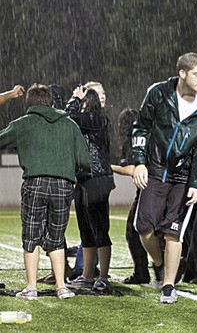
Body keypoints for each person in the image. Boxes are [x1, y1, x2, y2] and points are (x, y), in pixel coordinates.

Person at [131, 53, 197, 304]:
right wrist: (139, 162)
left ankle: (169, 285)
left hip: (184, 175)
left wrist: (196, 184)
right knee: (144, 226)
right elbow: (141, 127)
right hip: (156, 169)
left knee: (174, 231)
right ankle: (159, 262)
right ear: (182, 73)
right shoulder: (158, 93)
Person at [0, 84, 91, 300]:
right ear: (51, 102)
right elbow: (85, 161)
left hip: (35, 183)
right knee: (57, 237)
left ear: (29, 103)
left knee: (31, 236)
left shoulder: (23, 123)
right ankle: (61, 287)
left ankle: (31, 288)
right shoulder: (69, 124)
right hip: (63, 184)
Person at [65, 85, 115, 292]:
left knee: (100, 229)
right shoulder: (89, 119)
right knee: (86, 230)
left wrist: (74, 100)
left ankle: (102, 276)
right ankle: (86, 274)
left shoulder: (96, 118)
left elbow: (68, 118)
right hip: (84, 178)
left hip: (97, 178)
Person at [110, 108, 150, 284]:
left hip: (147, 190)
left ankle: (144, 272)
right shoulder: (150, 135)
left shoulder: (132, 141)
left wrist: (109, 166)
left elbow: (132, 169)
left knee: (133, 232)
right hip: (163, 187)